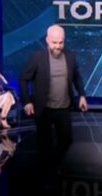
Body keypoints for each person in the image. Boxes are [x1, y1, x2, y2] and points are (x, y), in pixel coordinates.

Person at [20, 24, 88, 163]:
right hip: (44, 109)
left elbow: (77, 77)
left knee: (67, 140)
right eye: (54, 42)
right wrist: (27, 102)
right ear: (47, 40)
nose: (58, 46)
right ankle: (48, 170)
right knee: (45, 144)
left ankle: (53, 164)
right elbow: (23, 79)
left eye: (61, 42)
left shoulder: (70, 57)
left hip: (64, 108)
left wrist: (82, 95)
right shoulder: (37, 58)